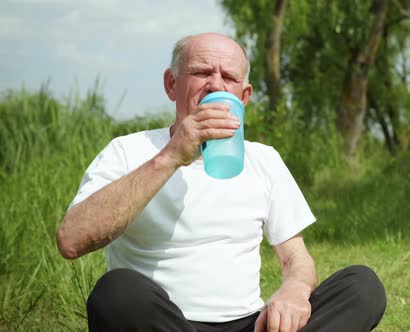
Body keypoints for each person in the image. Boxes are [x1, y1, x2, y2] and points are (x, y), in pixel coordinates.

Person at [56, 32, 386, 332]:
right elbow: (71, 240)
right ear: (172, 84)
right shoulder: (128, 151)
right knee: (116, 293)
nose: (215, 85)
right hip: (164, 322)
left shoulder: (264, 159)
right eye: (201, 72)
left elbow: (295, 258)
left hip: (251, 325)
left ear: (243, 96)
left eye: (228, 77)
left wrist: (295, 291)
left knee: (362, 286)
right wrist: (171, 155)